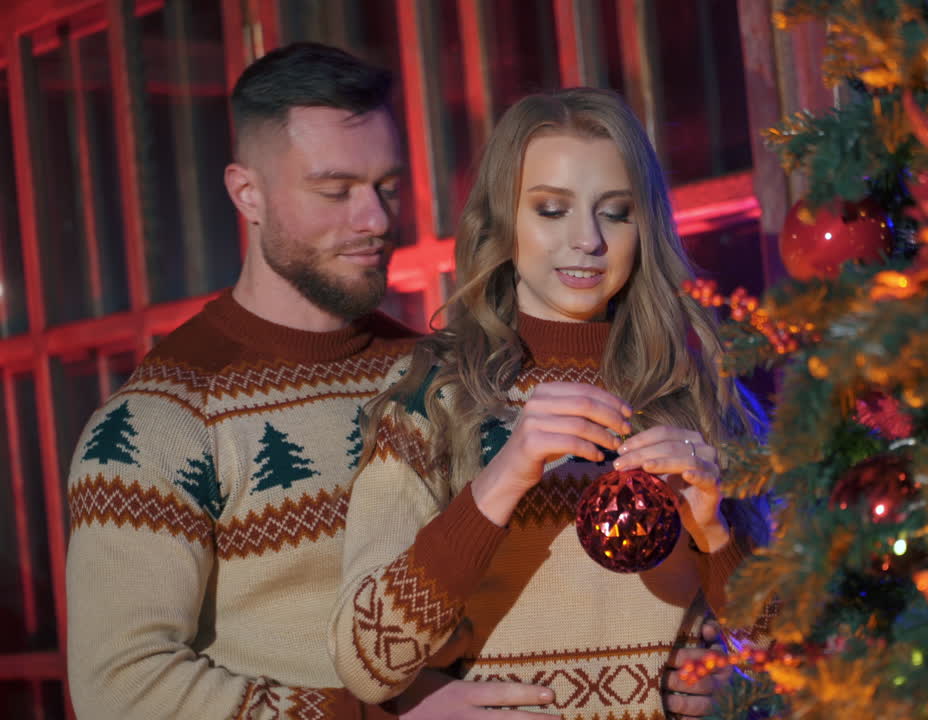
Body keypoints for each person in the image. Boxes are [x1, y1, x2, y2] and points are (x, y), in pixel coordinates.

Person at [63, 42, 558, 719]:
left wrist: (670, 666)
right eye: (335, 192)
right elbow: (121, 691)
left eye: (386, 186)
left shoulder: (442, 373)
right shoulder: (160, 421)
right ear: (248, 193)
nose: (376, 220)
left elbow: (538, 564)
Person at [329, 87, 769, 720]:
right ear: (502, 224)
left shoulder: (696, 383)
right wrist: (504, 477)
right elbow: (366, 662)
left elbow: (796, 647)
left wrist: (717, 544)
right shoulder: (434, 398)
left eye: (615, 212)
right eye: (552, 209)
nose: (587, 239)